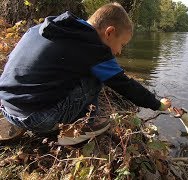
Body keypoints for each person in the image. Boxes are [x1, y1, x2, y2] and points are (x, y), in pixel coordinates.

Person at [0, 3, 171, 145]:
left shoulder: (42, 29)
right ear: (109, 32)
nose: (119, 51)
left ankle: (19, 122)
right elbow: (125, 85)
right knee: (98, 76)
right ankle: (80, 130)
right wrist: (157, 104)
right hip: (40, 118)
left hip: (6, 106)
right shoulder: (94, 48)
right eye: (122, 44)